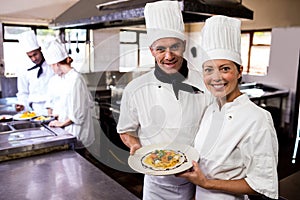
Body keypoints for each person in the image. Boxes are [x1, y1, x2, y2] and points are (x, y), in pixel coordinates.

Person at [116, 1, 212, 199]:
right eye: (160, 49)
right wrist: (134, 144)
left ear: (184, 45)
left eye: (174, 47)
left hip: (197, 180)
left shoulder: (205, 83)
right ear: (151, 50)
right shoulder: (135, 89)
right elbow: (125, 130)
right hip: (154, 184)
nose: (168, 56)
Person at [178, 15, 279, 200]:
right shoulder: (211, 109)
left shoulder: (257, 119)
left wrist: (206, 183)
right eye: (209, 69)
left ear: (240, 71)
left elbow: (261, 185)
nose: (216, 78)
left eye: (225, 69)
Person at [43, 39, 95, 149]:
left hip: (78, 133)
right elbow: (66, 104)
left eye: (51, 66)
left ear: (57, 64)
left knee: (80, 162)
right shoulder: (64, 78)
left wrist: (61, 124)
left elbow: (78, 113)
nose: (52, 69)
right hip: (69, 131)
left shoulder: (76, 79)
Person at [16, 30, 54, 115]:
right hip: (35, 110)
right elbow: (23, 92)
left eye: (35, 54)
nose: (34, 59)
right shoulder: (24, 69)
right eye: (30, 56)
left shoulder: (52, 65)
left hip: (53, 108)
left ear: (40, 49)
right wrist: (22, 105)